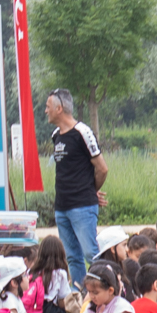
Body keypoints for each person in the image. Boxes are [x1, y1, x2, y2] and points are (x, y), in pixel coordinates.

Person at [44, 89, 106, 286]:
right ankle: (81, 296)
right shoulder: (56, 135)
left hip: (82, 206)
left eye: (48, 107)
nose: (45, 111)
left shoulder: (83, 132)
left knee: (91, 254)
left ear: (59, 108)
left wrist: (90, 191)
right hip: (62, 208)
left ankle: (106, 291)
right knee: (72, 257)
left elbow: (102, 169)